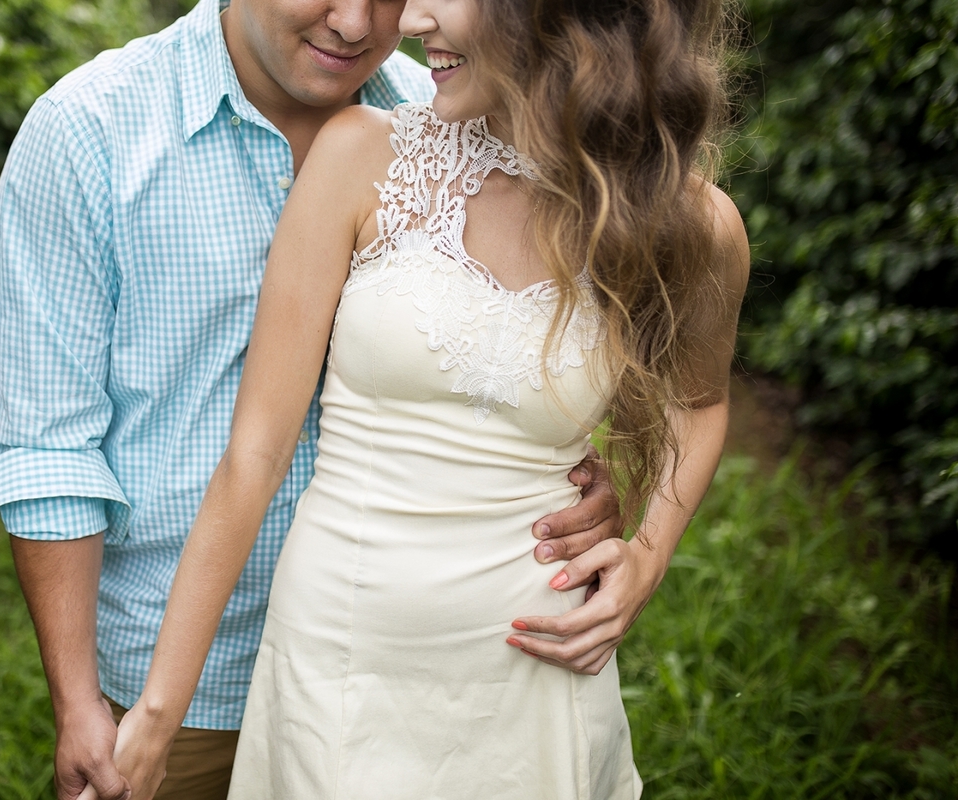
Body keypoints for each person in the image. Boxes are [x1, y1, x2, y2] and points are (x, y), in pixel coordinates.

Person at [0, 1, 624, 798]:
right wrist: (78, 703)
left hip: (414, 676)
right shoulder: (88, 131)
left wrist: (577, 471)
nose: (354, 22)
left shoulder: (452, 109)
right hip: (183, 684)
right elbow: (48, 449)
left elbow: (536, 336)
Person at [109, 0, 750, 797]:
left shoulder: (690, 225)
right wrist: (157, 714)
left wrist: (647, 557)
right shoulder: (361, 154)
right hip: (339, 653)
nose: (413, 18)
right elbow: (256, 454)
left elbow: (699, 402)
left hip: (534, 666)